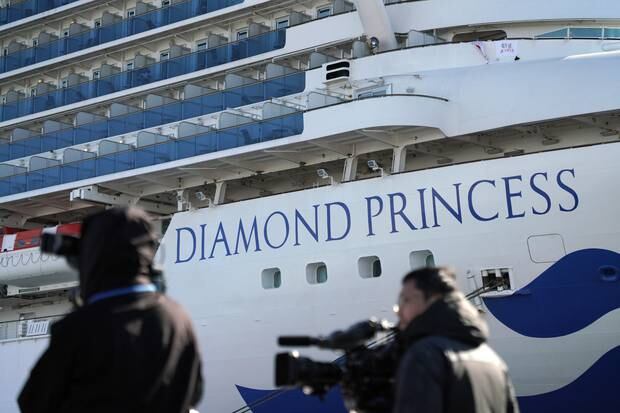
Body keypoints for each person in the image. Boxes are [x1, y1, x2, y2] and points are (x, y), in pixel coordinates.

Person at [18, 207, 203, 413]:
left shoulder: (79, 327)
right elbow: (194, 392)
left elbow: (33, 401)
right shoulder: (178, 317)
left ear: (94, 255)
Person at [393, 267, 519, 413]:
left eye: (406, 300)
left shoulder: (426, 355)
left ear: (433, 298)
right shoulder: (494, 361)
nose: (399, 309)